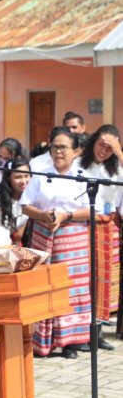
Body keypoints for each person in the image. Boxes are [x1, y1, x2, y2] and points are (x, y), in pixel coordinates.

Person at [20, 127, 96, 359]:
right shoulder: (41, 173)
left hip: (73, 241)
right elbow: (25, 205)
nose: (58, 152)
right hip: (44, 235)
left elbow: (94, 210)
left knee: (71, 289)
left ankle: (70, 343)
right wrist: (43, 216)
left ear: (76, 151)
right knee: (46, 287)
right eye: (55, 147)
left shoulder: (83, 175)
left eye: (64, 147)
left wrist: (67, 216)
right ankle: (44, 342)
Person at [79, 124, 122, 351]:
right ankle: (79, 334)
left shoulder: (115, 169)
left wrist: (119, 152)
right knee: (85, 281)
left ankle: (97, 333)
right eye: (101, 145)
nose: (103, 151)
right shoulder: (79, 164)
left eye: (109, 148)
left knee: (104, 282)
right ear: (93, 141)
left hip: (107, 228)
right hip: (82, 225)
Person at [0, 156, 31, 246]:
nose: (23, 181)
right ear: (8, 177)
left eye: (26, 176)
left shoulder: (31, 196)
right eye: (18, 177)